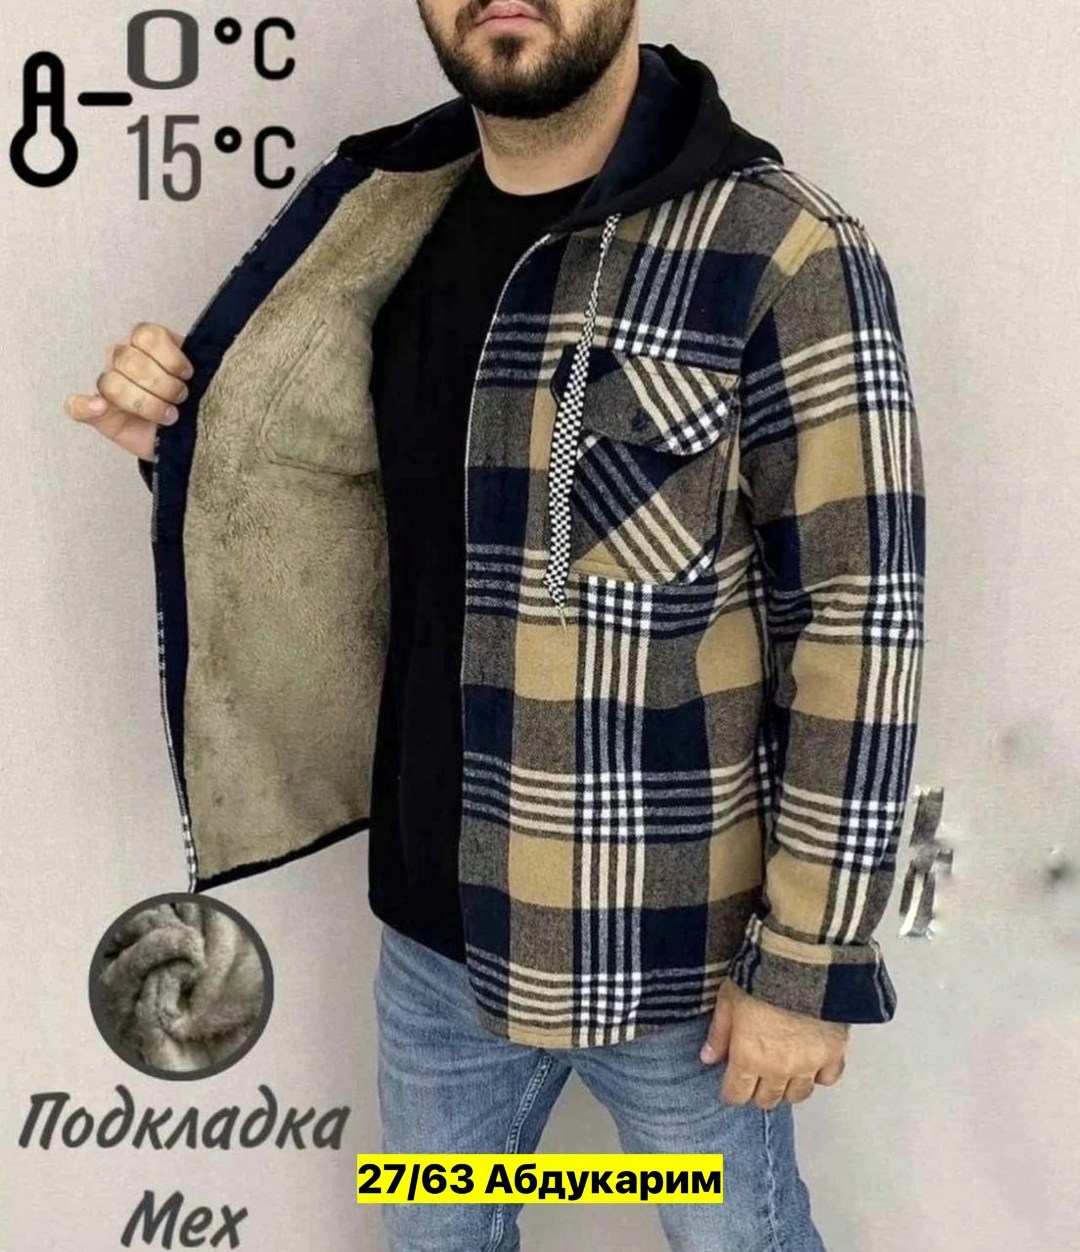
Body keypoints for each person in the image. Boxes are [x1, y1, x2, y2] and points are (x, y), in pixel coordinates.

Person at [64, 1, 926, 1247]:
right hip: (433, 948)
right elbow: (359, 520)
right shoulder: (386, 218)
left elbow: (859, 619)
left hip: (668, 960)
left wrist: (805, 964)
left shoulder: (781, 248)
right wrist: (182, 449)